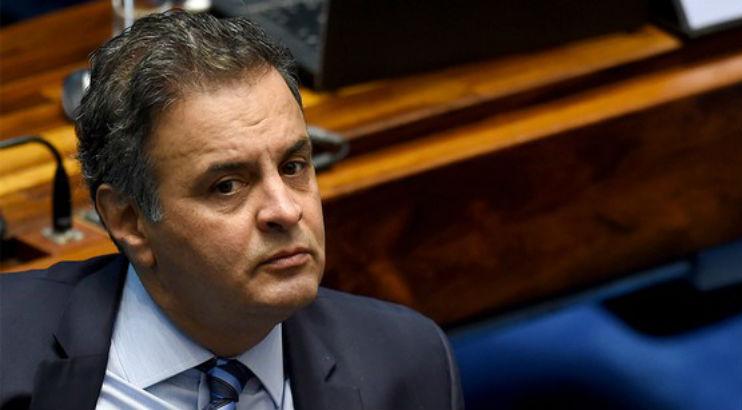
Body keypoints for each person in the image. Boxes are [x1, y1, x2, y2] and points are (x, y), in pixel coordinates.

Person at [0, 11, 463, 410]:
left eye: (293, 166)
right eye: (226, 187)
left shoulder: (409, 365)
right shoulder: (9, 348)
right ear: (129, 220)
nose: (286, 210)